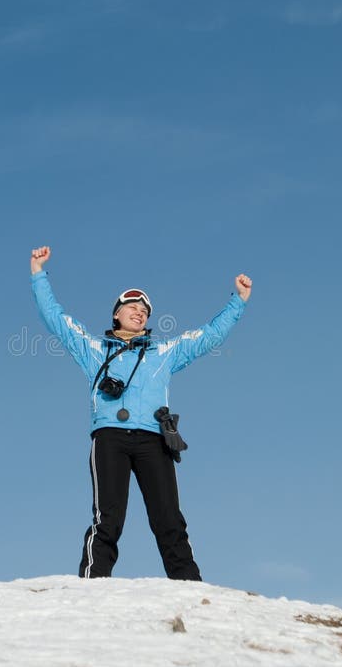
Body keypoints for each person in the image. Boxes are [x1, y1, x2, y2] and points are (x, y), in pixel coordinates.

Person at [30, 245, 252, 581]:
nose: (140, 312)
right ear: (116, 314)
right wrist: (38, 274)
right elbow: (57, 320)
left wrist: (238, 301)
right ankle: (92, 584)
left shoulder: (164, 352)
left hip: (153, 440)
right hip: (109, 438)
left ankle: (189, 586)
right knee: (108, 518)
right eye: (131, 307)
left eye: (145, 310)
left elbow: (207, 337)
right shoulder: (95, 350)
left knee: (169, 518)